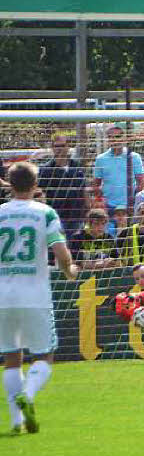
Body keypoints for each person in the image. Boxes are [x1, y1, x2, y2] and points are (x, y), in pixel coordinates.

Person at [0, 162, 78, 434]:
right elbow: (61, 252)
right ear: (36, 185)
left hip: (2, 297)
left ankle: (16, 422)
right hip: (34, 294)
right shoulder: (45, 213)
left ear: (9, 184)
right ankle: (29, 395)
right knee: (44, 356)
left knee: (11, 358)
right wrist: (70, 271)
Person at [37, 133, 87, 234]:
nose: (59, 149)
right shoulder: (45, 170)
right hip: (57, 217)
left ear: (68, 147)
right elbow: (40, 193)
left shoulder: (77, 166)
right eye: (56, 146)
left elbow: (83, 189)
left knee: (75, 246)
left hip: (76, 216)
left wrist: (87, 209)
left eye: (62, 145)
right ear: (52, 148)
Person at [92, 124, 144, 214]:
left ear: (123, 138)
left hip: (129, 206)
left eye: (118, 136)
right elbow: (96, 184)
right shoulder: (100, 159)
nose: (114, 140)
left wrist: (135, 202)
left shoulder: (134, 157)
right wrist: (101, 202)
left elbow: (141, 182)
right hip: (109, 207)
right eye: (111, 137)